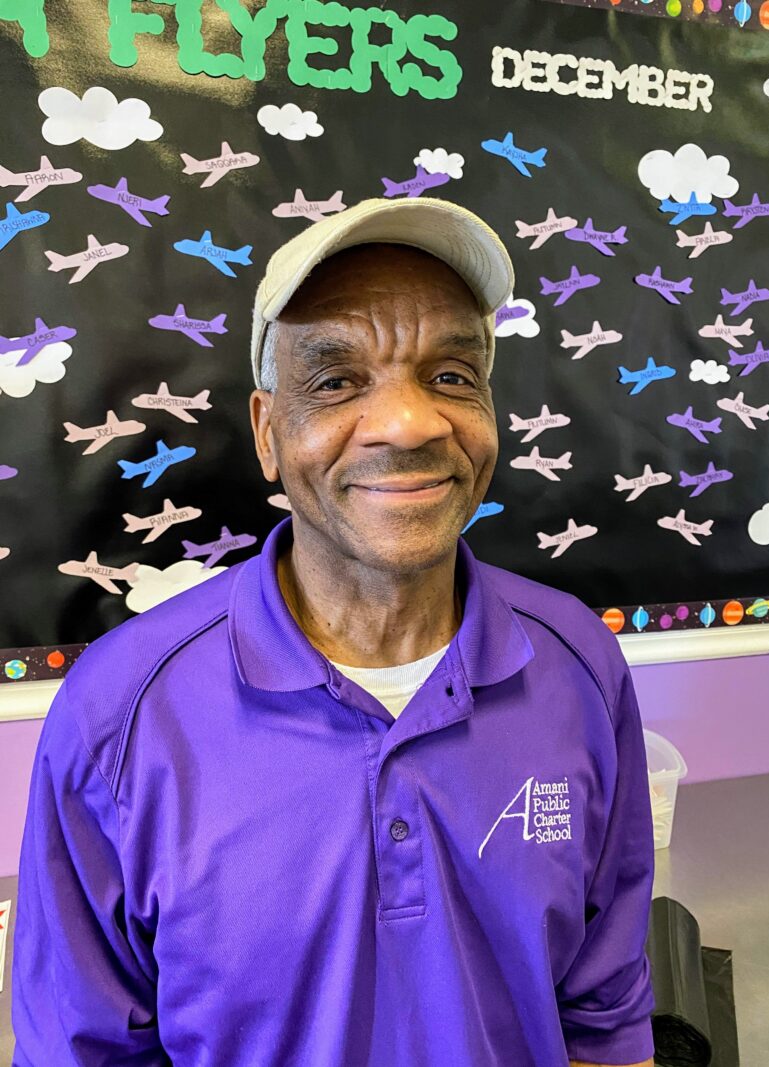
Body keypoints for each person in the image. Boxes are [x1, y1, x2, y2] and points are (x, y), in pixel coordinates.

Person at [12, 197, 656, 1066]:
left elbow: (605, 1019)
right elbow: (82, 1048)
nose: (409, 422)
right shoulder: (117, 715)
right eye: (336, 380)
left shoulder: (579, 664)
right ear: (267, 433)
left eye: (452, 375)